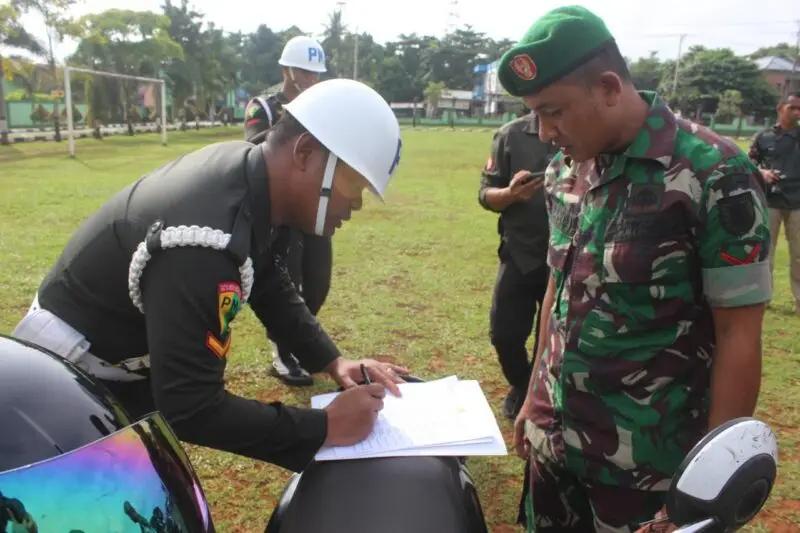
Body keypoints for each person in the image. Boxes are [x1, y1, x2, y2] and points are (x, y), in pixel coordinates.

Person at [11, 79, 407, 473]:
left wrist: (333, 361)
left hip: (115, 358)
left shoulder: (255, 176)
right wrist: (324, 427)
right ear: (304, 152)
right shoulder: (203, 243)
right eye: (353, 183)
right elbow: (191, 406)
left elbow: (267, 279)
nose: (355, 202)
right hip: (66, 378)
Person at [497, 6, 771, 532]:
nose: (543, 130)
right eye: (534, 113)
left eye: (553, 111)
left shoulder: (712, 173)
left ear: (607, 87)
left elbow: (739, 334)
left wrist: (705, 486)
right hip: (555, 449)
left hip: (645, 470)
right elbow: (558, 288)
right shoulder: (564, 171)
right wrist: (534, 399)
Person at [244, 35, 331, 386]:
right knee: (288, 281)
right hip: (280, 209)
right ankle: (283, 353)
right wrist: (292, 123)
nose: (311, 79)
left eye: (315, 73)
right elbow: (251, 149)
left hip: (315, 206)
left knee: (318, 282)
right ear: (286, 70)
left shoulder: (326, 106)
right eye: (304, 71)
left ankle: (297, 341)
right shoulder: (263, 107)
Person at [478, 111, 554, 419]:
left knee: (550, 337)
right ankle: (522, 384)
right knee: (504, 334)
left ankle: (536, 392)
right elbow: (485, 195)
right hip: (520, 251)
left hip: (566, 256)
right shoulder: (510, 135)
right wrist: (510, 194)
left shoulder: (581, 129)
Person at [749, 91, 800, 314]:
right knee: (765, 252)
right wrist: (762, 173)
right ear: (780, 108)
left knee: (799, 254)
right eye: (793, 108)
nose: (797, 112)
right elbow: (748, 164)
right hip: (770, 201)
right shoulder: (763, 137)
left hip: (798, 202)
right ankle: (764, 297)